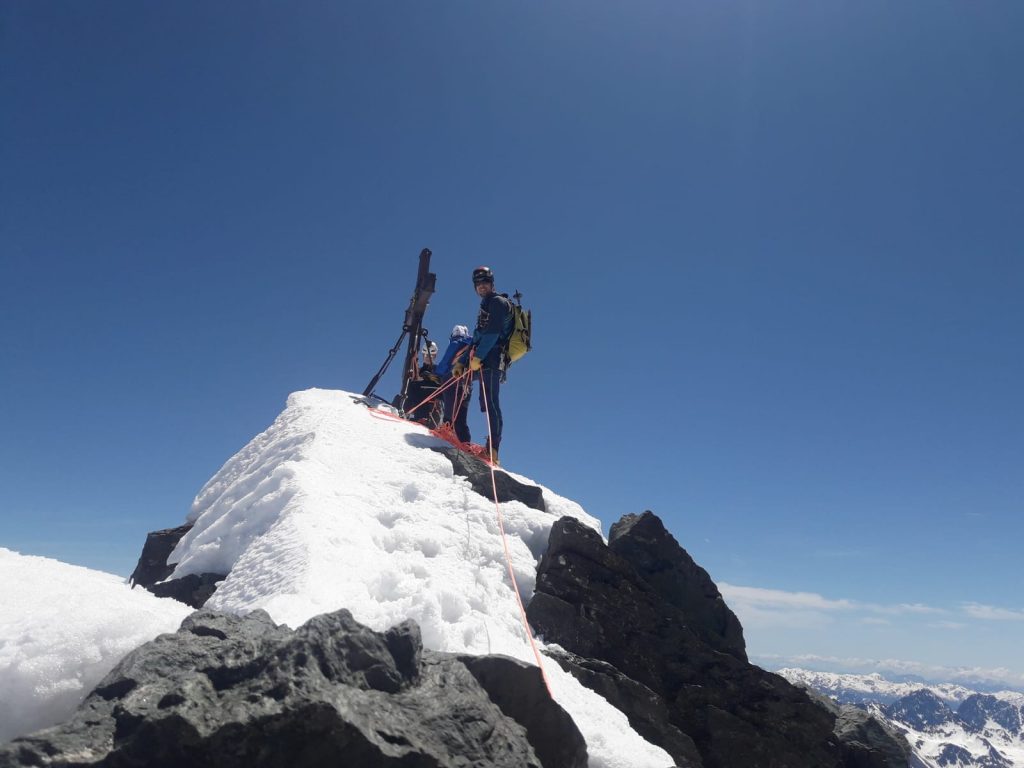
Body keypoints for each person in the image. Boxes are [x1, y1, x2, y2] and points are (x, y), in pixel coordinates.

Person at [468, 266, 512, 465]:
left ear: (492, 284)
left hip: (493, 359)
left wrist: (477, 357)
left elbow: (493, 334)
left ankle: (493, 449)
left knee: (491, 402)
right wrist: (463, 362)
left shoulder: (497, 303)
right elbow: (478, 336)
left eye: (484, 282)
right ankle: (456, 427)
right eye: (478, 284)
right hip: (483, 358)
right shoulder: (486, 305)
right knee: (484, 400)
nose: (481, 287)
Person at [435, 325, 473, 443]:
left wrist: (436, 373)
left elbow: (444, 365)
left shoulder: (456, 343)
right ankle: (465, 442)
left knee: (450, 410)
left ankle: (447, 426)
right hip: (467, 385)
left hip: (453, 381)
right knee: (461, 417)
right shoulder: (472, 343)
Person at [404, 341, 442, 427]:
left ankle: (426, 417)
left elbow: (443, 381)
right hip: (419, 392)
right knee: (411, 386)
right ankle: (406, 411)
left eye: (431, 355)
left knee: (415, 387)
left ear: (435, 356)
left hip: (434, 392)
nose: (428, 357)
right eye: (426, 355)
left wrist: (432, 377)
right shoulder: (418, 370)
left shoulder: (438, 369)